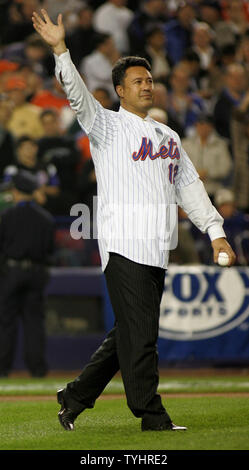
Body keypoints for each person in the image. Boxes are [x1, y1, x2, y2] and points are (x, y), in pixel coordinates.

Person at [32, 9, 236, 432]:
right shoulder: (105, 125)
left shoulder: (169, 136)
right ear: (120, 90)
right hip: (123, 243)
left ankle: (74, 396)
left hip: (157, 247)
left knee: (128, 333)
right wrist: (60, 50)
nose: (148, 85)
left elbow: (190, 189)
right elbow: (77, 95)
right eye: (139, 81)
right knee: (142, 336)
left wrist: (216, 233)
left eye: (150, 80)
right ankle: (150, 414)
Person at [0, 170, 55, 377]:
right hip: (37, 273)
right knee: (34, 323)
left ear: (16, 191)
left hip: (11, 272)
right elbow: (50, 250)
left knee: (6, 322)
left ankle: (3, 368)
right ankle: (37, 369)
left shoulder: (7, 216)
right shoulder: (46, 218)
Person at [182, 114, 233, 200]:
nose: (202, 128)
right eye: (199, 124)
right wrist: (195, 173)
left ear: (211, 127)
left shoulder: (220, 145)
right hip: (191, 190)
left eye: (205, 125)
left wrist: (207, 173)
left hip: (213, 190)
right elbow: (180, 165)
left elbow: (226, 167)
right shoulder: (186, 144)